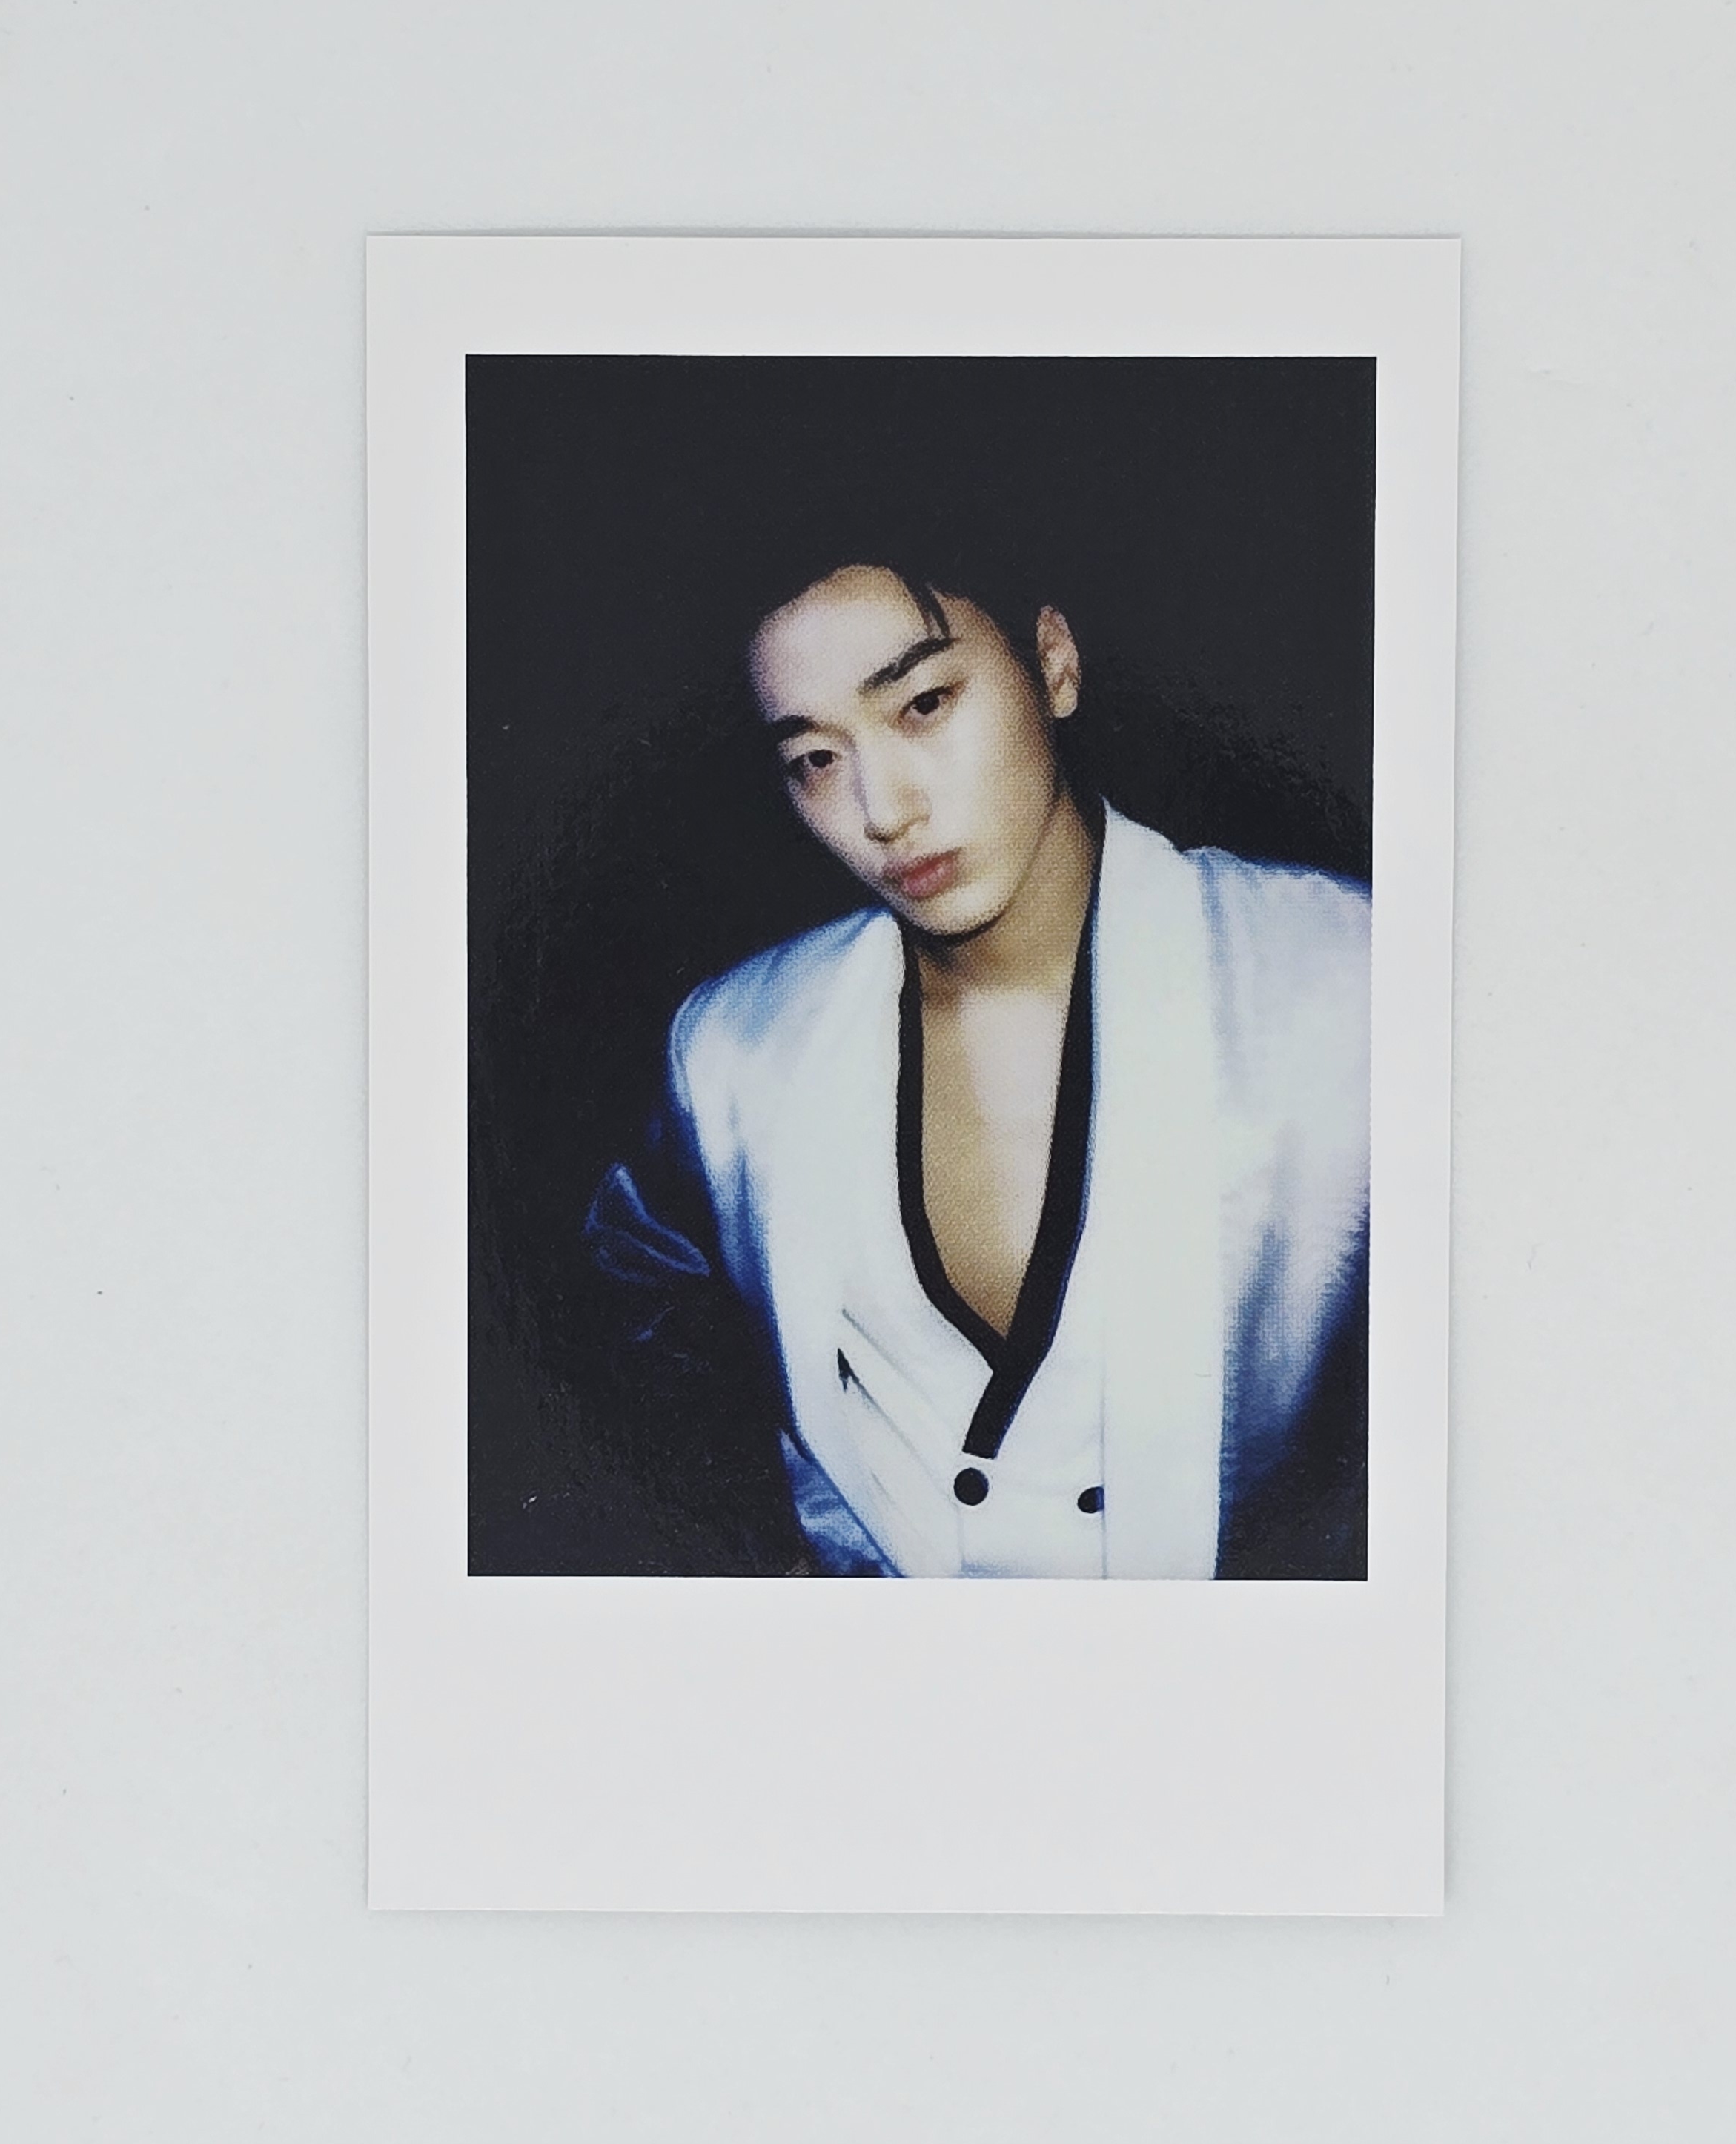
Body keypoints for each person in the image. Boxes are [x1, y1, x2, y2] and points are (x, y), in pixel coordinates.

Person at [583, 558, 1370, 1579]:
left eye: (923, 704)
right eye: (815, 758)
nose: (883, 808)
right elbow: (642, 1310)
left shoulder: (1345, 979)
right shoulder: (739, 1044)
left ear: (1054, 664)